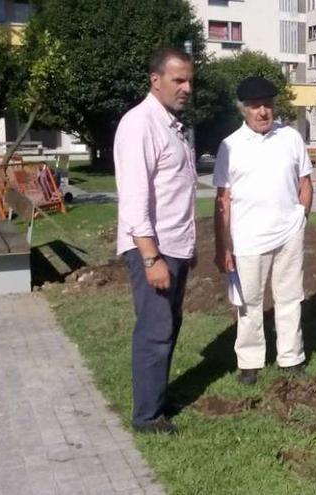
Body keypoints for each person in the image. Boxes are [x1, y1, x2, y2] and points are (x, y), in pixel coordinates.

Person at [114, 47, 196, 434]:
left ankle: (158, 399)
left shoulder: (169, 125)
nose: (187, 88)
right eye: (179, 80)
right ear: (156, 80)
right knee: (155, 331)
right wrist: (150, 258)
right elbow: (134, 200)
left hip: (175, 248)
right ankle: (147, 418)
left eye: (189, 80)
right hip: (154, 250)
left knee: (168, 327)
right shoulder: (139, 124)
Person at [213, 76, 314, 385]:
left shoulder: (291, 138)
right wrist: (222, 246)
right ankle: (249, 363)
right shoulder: (230, 146)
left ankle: (290, 358)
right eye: (255, 106)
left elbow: (305, 183)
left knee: (289, 297)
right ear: (243, 109)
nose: (262, 112)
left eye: (267, 105)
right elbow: (223, 200)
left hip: (288, 234)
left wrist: (300, 219)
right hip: (248, 239)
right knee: (249, 303)